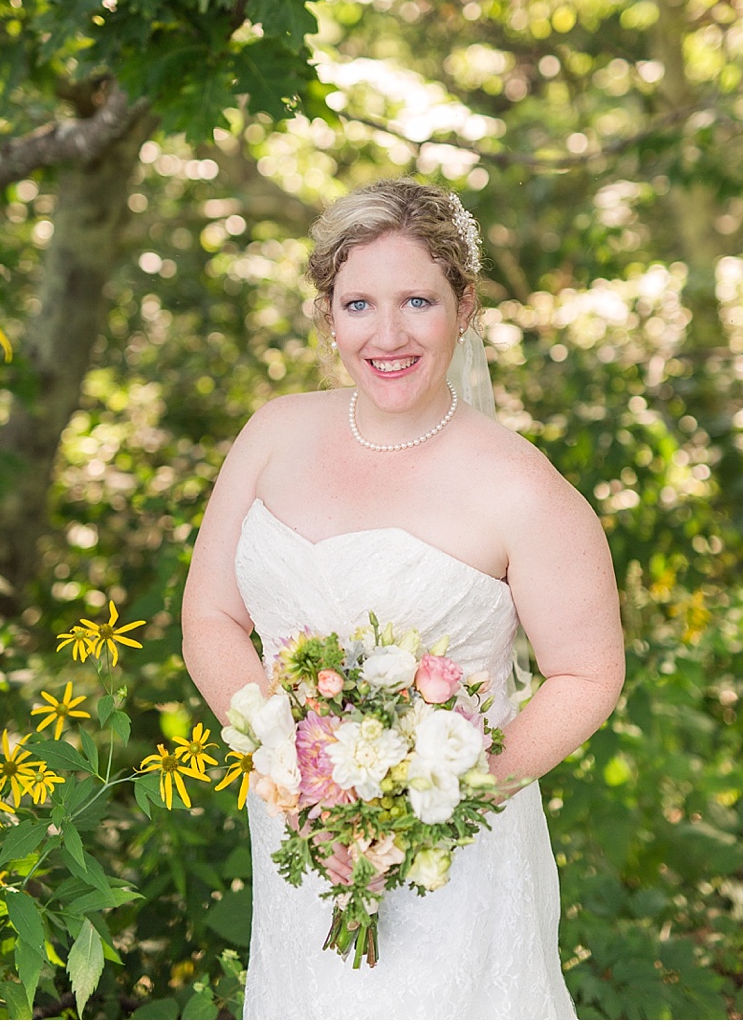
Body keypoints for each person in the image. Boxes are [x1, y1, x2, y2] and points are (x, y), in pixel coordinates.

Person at [181, 180, 625, 1018]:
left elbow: (587, 674)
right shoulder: (272, 434)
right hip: (296, 830)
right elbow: (210, 617)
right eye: (359, 304)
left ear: (465, 307)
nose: (387, 335)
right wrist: (288, 764)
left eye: (417, 300)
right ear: (327, 314)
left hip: (452, 852)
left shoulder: (521, 488)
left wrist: (441, 803)